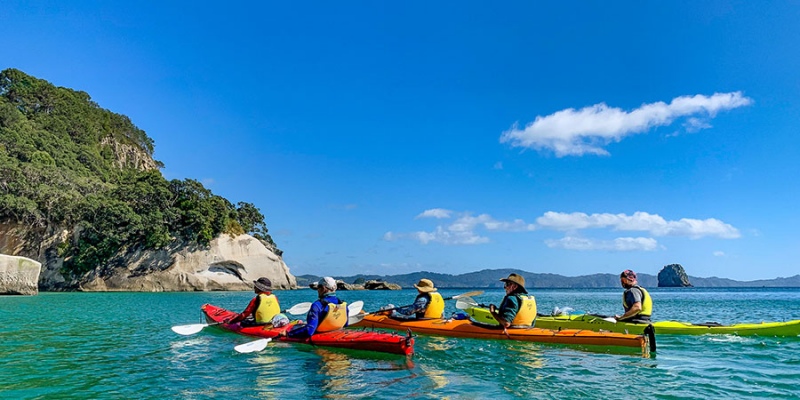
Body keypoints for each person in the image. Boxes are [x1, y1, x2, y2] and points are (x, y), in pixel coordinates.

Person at [284, 277, 348, 338]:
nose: (317, 289)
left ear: (324, 288)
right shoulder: (343, 304)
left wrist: (288, 334)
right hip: (337, 332)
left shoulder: (317, 305)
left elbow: (309, 331)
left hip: (320, 335)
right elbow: (345, 325)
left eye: (319, 287)